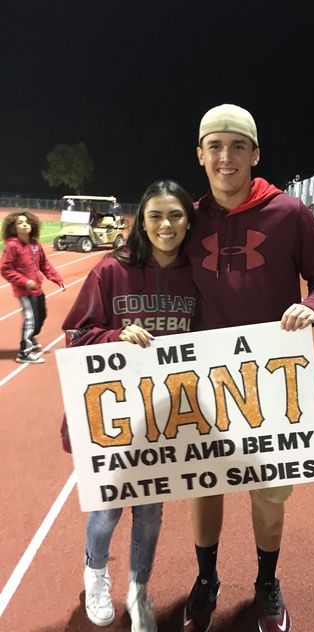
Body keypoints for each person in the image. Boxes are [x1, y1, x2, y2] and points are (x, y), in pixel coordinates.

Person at [184, 103, 314, 632]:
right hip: (203, 379)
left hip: (271, 381)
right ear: (200, 154)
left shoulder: (290, 212)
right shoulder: (187, 217)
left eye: (237, 146)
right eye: (215, 146)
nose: (225, 157)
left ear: (255, 153)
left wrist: (313, 307)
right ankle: (206, 578)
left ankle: (265, 581)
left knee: (268, 492)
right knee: (204, 485)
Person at [61, 180, 197, 632]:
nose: (166, 225)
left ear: (188, 221)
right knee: (106, 511)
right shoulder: (110, 271)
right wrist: (116, 335)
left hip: (166, 417)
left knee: (152, 512)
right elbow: (77, 334)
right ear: (141, 220)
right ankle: (95, 573)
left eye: (175, 215)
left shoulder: (196, 274)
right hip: (115, 418)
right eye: (156, 215)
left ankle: (140, 587)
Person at [1, 210, 65, 364]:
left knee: (41, 316)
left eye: (26, 222)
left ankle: (32, 336)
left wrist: (57, 279)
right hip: (24, 290)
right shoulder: (12, 246)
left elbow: (45, 264)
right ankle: (24, 352)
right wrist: (24, 281)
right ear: (13, 228)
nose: (24, 224)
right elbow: (5, 268)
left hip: (38, 288)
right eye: (20, 223)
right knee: (30, 318)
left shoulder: (35, 244)